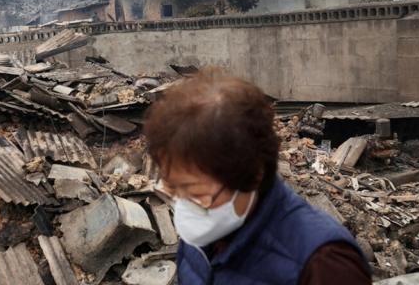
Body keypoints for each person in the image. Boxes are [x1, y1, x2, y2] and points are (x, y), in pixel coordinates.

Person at [143, 70, 371, 285]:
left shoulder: (323, 263)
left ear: (252, 174)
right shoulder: (200, 235)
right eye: (173, 188)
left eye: (196, 192)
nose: (185, 206)